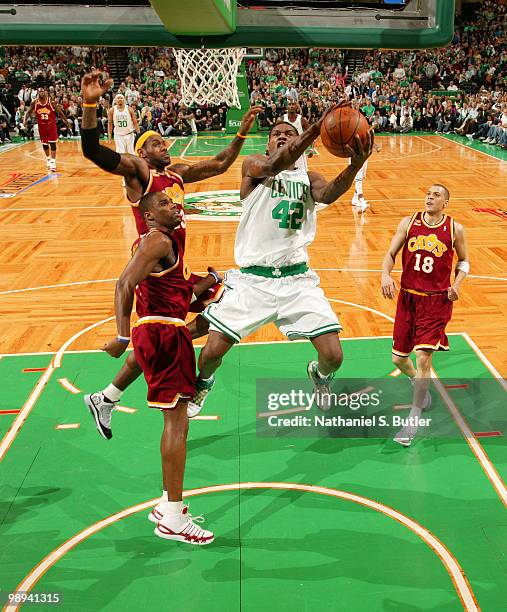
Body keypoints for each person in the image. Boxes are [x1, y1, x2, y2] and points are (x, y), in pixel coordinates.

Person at [79, 71, 261, 435]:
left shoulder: (176, 174)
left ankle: (108, 397)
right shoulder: (139, 173)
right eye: (157, 144)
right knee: (164, 332)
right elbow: (92, 151)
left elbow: (221, 164)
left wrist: (241, 133)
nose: (165, 147)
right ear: (142, 152)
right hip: (155, 264)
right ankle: (116, 394)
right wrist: (89, 103)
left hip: (177, 267)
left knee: (215, 308)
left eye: (165, 143)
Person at [189, 113, 374, 415]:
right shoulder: (254, 167)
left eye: (290, 133)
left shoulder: (310, 178)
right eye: (277, 133)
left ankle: (320, 375)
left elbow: (328, 194)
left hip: (297, 280)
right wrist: (315, 128)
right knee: (210, 353)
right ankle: (204, 383)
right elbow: (275, 164)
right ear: (267, 144)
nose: (284, 136)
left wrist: (353, 166)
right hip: (253, 282)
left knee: (333, 355)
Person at [105, 190, 213, 545]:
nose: (173, 205)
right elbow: (124, 283)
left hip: (166, 331)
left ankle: (168, 503)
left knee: (177, 420)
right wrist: (121, 338)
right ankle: (172, 518)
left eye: (172, 201)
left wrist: (211, 283)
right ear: (149, 216)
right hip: (163, 333)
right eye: (164, 204)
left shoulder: (166, 242)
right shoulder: (156, 240)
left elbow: (176, 290)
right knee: (177, 423)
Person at [381, 184, 470, 446]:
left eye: (437, 195)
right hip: (408, 298)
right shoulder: (409, 222)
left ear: (446, 203)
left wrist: (457, 284)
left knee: (423, 358)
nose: (430, 197)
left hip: (436, 302)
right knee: (399, 359)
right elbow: (390, 253)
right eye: (428, 193)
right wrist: (386, 274)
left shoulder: (455, 228)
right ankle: (414, 382)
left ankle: (413, 420)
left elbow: (463, 261)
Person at [23, 87, 71, 172]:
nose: (41, 93)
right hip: (42, 126)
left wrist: (67, 122)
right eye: (39, 92)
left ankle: (53, 162)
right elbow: (28, 112)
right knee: (45, 144)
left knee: (52, 143)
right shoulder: (34, 102)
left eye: (42, 91)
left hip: (51, 125)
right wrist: (24, 121)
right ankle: (48, 159)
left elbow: (60, 112)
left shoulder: (51, 102)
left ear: (45, 92)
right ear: (37, 93)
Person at [281, 101, 316, 170]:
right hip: (286, 152)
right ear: (286, 107)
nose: (291, 106)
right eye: (289, 104)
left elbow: (310, 134)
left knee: (303, 175)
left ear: (296, 107)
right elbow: (274, 135)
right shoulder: (281, 119)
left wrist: (312, 149)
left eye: (293, 104)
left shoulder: (302, 120)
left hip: (299, 152)